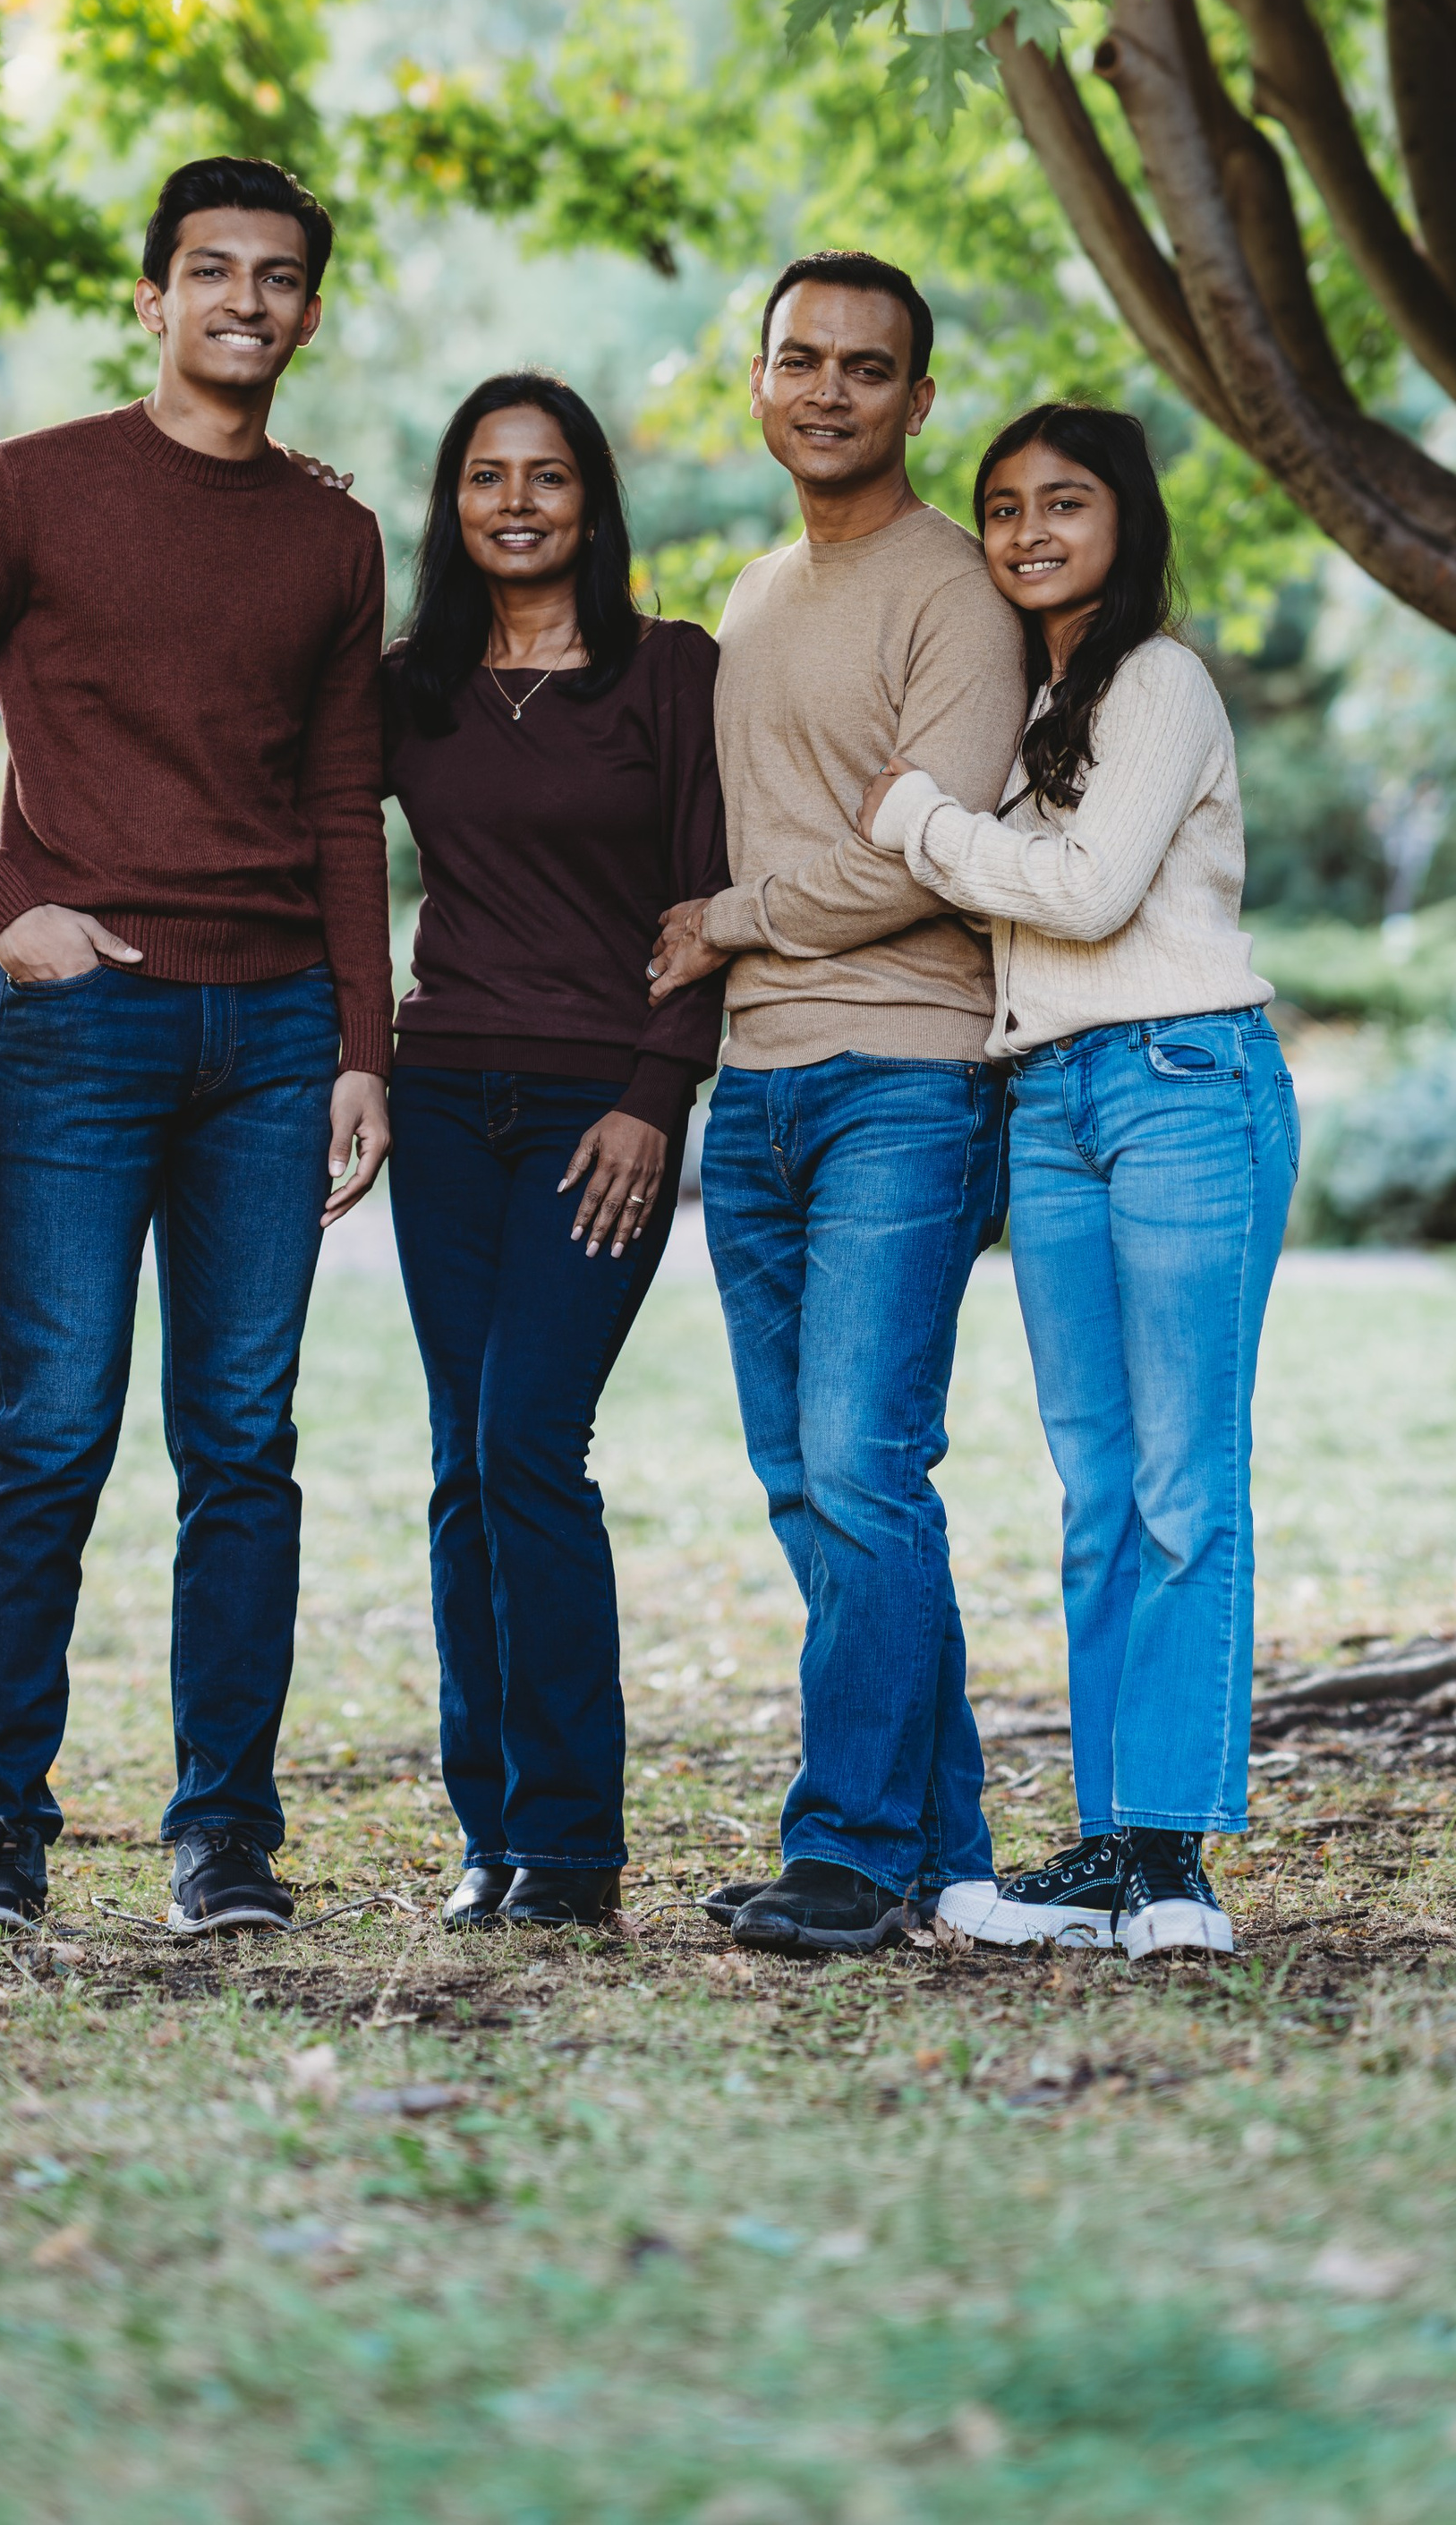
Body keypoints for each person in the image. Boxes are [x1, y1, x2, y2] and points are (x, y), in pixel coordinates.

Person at [0, 156, 394, 1941]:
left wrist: (360, 1044)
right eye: (210, 270)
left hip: (271, 1040)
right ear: (151, 298)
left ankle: (222, 1834)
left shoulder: (332, 534)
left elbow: (337, 805)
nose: (244, 299)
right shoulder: (33, 489)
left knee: (240, 1440)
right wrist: (8, 910)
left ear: (309, 313)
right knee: (53, 1427)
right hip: (78, 1020)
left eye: (278, 276)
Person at [856, 402, 1296, 1963]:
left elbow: (1094, 895)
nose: (1030, 529)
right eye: (1003, 507)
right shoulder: (1035, 709)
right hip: (1045, 1098)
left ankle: (1178, 1861)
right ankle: (1116, 1843)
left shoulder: (1160, 682)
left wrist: (918, 823)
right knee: (1098, 1494)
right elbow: (1034, 903)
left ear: (1128, 520)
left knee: (1184, 1488)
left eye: (1065, 502)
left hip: (1183, 1082)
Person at [647, 252, 1028, 1958]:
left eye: (866, 370)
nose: (827, 391)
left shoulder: (956, 592)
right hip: (762, 1088)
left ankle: (850, 1851)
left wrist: (729, 917)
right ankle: (941, 1853)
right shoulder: (750, 592)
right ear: (757, 378)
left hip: (907, 1074)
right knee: (813, 1487)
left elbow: (925, 843)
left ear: (917, 401)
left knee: (866, 1471)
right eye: (799, 359)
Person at [385, 376, 728, 1933]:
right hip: (446, 1097)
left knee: (532, 1440)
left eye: (546, 475)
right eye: (482, 476)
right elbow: (316, 849)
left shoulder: (671, 674)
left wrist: (658, 1094)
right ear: (451, 505)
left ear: (594, 499)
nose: (515, 501)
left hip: (603, 1108)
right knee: (464, 1463)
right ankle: (493, 1835)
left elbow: (709, 893)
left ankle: (575, 1847)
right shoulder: (410, 687)